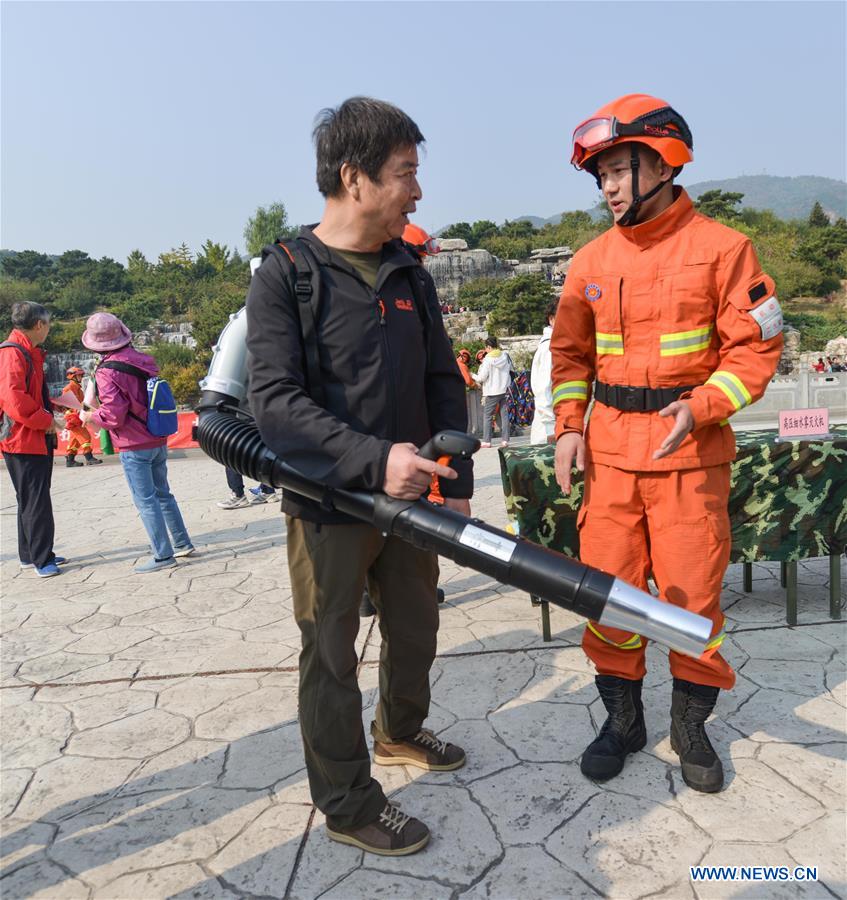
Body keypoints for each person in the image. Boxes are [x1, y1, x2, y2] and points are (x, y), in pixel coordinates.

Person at [246, 96, 473, 857]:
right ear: (354, 177)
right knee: (331, 654)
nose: (416, 190)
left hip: (414, 501)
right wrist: (377, 460)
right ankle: (346, 804)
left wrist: (455, 469)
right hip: (329, 504)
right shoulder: (286, 275)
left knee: (416, 627)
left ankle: (400, 733)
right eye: (404, 174)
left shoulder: (410, 269)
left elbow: (444, 377)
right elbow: (271, 402)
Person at [551, 94, 783, 793]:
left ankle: (689, 728)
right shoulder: (588, 259)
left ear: (661, 161)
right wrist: (568, 427)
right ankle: (622, 722)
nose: (607, 187)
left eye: (617, 170)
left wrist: (706, 405)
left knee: (689, 604)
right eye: (599, 177)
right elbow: (568, 357)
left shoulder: (724, 250)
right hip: (612, 460)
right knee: (610, 599)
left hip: (688, 459)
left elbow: (755, 351)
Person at [78, 313, 195, 573]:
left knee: (146, 500)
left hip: (133, 444)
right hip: (157, 437)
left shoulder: (107, 371)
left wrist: (89, 415)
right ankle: (182, 542)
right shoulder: (143, 360)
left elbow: (114, 414)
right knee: (164, 494)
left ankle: (163, 556)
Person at [0, 302, 66, 577]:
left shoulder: (26, 351)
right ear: (39, 325)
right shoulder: (13, 354)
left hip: (28, 437)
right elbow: (15, 401)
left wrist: (53, 406)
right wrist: (47, 421)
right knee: (36, 500)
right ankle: (42, 559)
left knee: (29, 499)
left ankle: (30, 555)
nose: (49, 328)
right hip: (23, 439)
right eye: (48, 323)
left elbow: (29, 394)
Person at [472, 335, 512, 448]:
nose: (485, 350)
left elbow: (481, 378)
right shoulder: (505, 355)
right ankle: (505, 440)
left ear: (489, 347)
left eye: (486, 347)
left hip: (492, 392)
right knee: (504, 415)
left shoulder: (488, 360)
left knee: (487, 416)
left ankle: (487, 441)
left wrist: (471, 375)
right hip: (504, 390)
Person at [529, 299, 559, 444]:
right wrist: (550, 429)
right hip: (549, 433)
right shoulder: (550, 349)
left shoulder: (555, 345)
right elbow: (544, 390)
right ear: (551, 319)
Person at [61, 366, 102, 467]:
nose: (81, 377)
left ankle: (70, 460)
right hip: (73, 417)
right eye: (79, 375)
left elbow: (83, 404)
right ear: (72, 376)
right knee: (85, 436)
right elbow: (68, 404)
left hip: (77, 416)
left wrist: (92, 411)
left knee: (75, 440)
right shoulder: (68, 388)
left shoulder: (77, 388)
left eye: (81, 375)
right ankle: (89, 458)